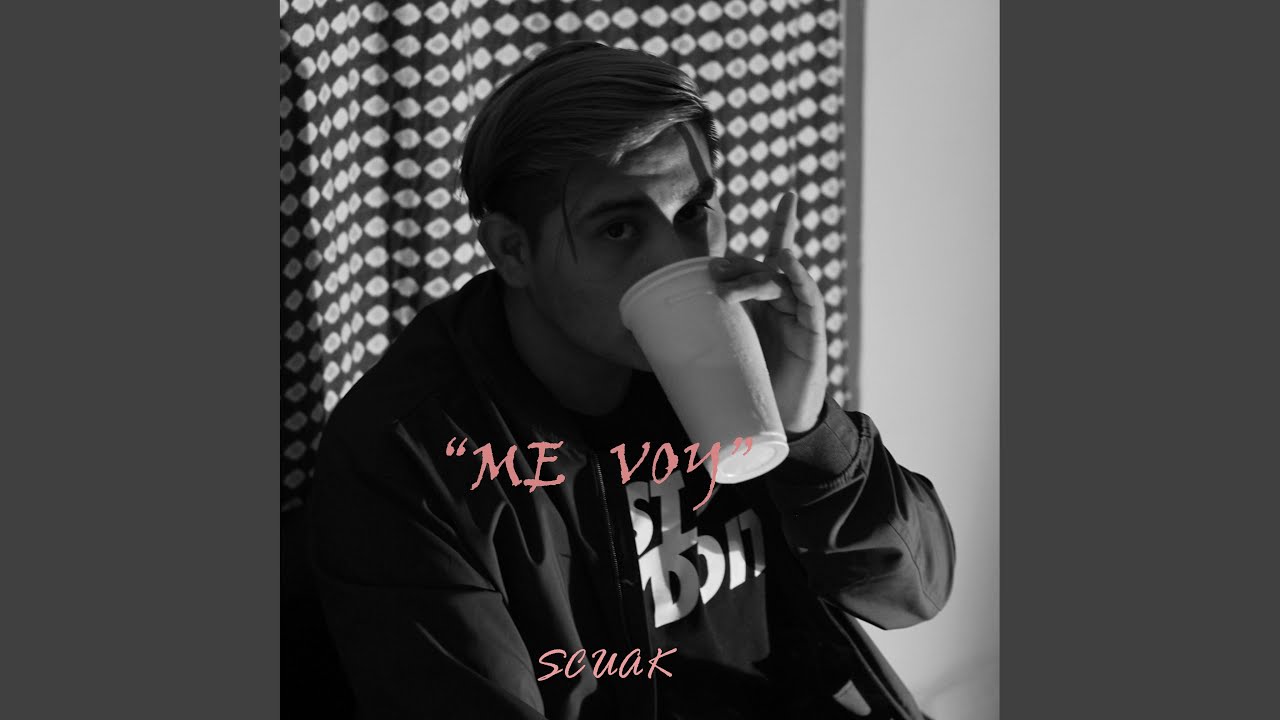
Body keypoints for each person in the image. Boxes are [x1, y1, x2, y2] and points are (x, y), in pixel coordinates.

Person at [308, 41, 955, 720]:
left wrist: (809, 430)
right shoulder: (409, 455)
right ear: (512, 250)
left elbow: (913, 593)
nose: (674, 261)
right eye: (619, 228)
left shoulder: (732, 355)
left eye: (691, 213)